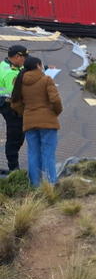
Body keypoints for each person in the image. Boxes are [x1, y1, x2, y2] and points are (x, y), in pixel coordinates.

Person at [10, 57, 62, 186]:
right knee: (48, 153)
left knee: (33, 153)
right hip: (47, 122)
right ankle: (51, 184)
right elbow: (55, 100)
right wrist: (55, 112)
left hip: (29, 122)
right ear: (38, 65)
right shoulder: (46, 80)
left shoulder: (19, 81)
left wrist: (26, 112)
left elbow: (15, 104)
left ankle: (35, 185)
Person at [0, 45, 28, 171]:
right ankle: (13, 167)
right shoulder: (11, 73)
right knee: (15, 136)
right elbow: (17, 93)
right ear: (17, 56)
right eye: (24, 57)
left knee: (16, 135)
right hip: (10, 105)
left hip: (5, 102)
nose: (25, 59)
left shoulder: (5, 64)